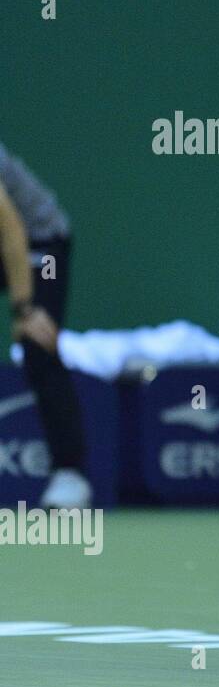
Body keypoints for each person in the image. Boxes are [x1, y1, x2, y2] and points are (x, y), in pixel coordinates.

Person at [0, 141, 91, 508]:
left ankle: (69, 474)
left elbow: (10, 232)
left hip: (39, 243)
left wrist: (25, 310)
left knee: (37, 344)